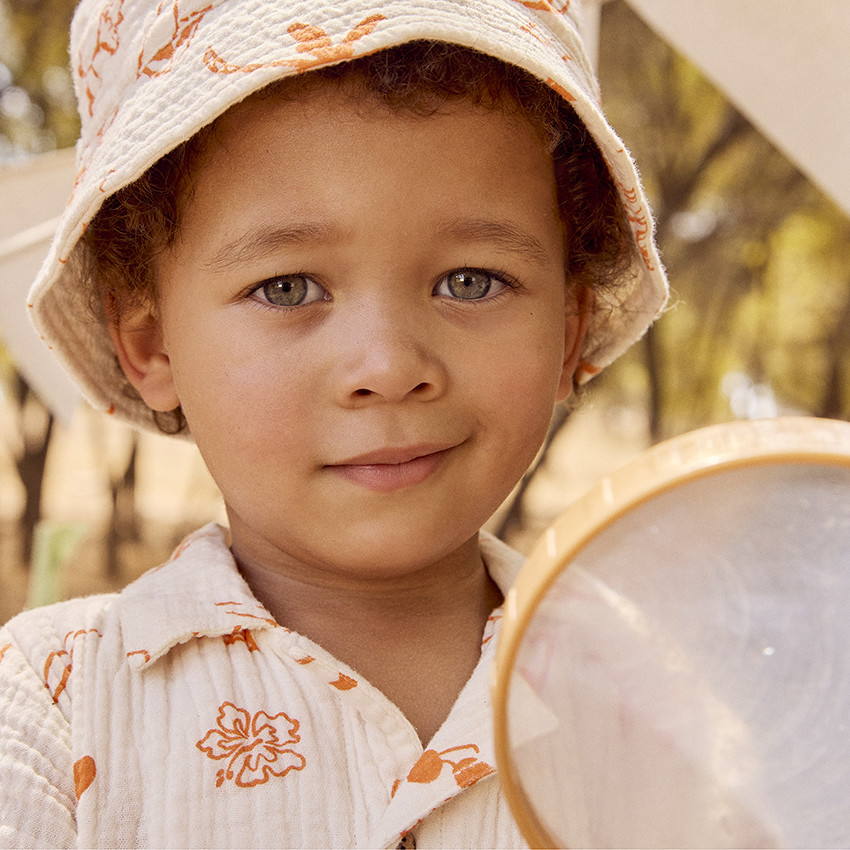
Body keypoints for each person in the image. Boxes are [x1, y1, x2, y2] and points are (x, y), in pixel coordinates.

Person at [0, 0, 667, 846]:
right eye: (288, 288)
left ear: (570, 331)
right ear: (151, 344)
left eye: (471, 281)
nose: (388, 366)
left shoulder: (666, 712)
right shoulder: (54, 708)